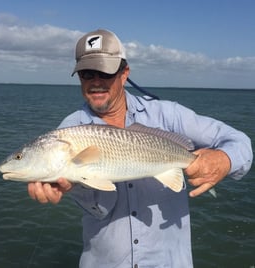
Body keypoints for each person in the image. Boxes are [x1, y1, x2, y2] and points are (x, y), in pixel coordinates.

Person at [28, 29, 253, 268]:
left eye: (105, 72)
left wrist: (223, 160)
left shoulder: (168, 114)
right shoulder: (69, 130)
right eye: (86, 73)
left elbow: (239, 141)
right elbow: (99, 209)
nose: (95, 82)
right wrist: (72, 186)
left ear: (124, 73)